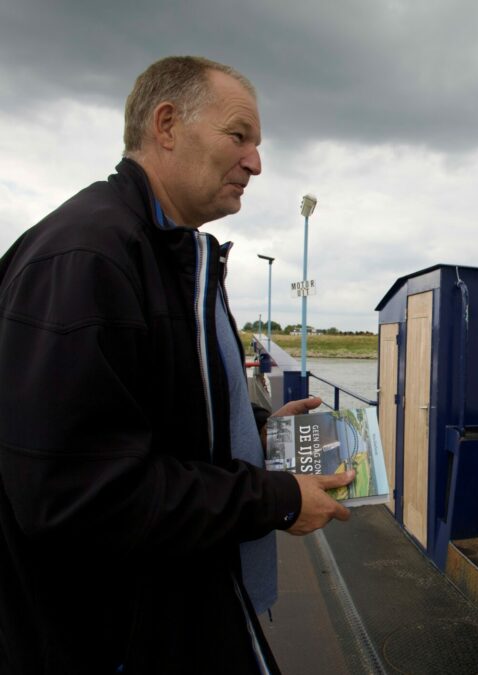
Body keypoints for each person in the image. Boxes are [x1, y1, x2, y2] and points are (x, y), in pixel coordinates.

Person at [0, 56, 354, 674]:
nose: (256, 162)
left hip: (180, 607)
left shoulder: (170, 252)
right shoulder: (88, 258)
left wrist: (254, 431)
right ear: (166, 124)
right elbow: (80, 495)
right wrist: (273, 499)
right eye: (238, 136)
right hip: (116, 636)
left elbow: (152, 415)